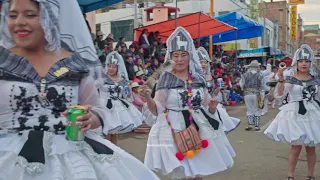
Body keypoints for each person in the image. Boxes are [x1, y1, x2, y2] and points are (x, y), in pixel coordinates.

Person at [0, 0, 159, 179]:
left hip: (72, 154)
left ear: (51, 17)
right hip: (9, 156)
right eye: (13, 15)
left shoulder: (75, 64)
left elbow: (98, 110)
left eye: (30, 15)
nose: (19, 22)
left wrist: (91, 119)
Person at [140, 27, 235, 180]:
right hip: (174, 128)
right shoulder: (165, 78)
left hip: (199, 126)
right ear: (170, 57)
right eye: (176, 55)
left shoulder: (198, 78)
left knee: (198, 171)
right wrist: (148, 99)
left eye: (183, 55)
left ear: (190, 56)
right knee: (185, 174)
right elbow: (157, 110)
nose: (179, 59)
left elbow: (205, 103)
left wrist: (211, 108)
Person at [264, 45, 320, 180]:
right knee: (296, 147)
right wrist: (282, 78)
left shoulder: (316, 79)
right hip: (294, 114)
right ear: (297, 63)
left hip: (312, 113)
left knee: (311, 148)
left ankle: (310, 176)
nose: (304, 64)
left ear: (310, 63)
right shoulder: (291, 78)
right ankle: (290, 176)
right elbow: (280, 94)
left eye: (306, 61)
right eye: (301, 61)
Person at [98, 51, 143, 144]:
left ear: (118, 68)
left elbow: (126, 96)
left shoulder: (122, 81)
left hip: (118, 107)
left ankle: (115, 152)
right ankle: (105, 153)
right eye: (109, 66)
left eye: (113, 67)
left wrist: (129, 90)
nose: (110, 68)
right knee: (106, 131)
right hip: (103, 107)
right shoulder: (101, 78)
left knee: (115, 132)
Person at [197, 47, 240, 133]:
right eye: (201, 62)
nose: (203, 64)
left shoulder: (209, 77)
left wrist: (218, 88)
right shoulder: (192, 77)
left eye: (205, 62)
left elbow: (213, 93)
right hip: (198, 104)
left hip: (209, 102)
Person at [240, 59, 271, 131]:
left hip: (247, 94)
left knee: (249, 109)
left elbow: (242, 85)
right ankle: (257, 126)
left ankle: (250, 124)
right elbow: (263, 85)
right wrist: (268, 89)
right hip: (257, 94)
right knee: (257, 109)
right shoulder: (260, 75)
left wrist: (244, 89)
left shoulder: (244, 75)